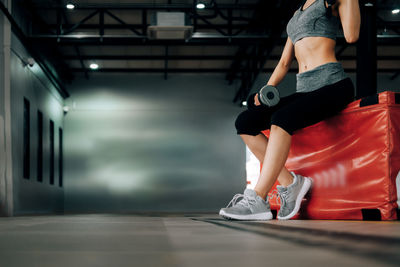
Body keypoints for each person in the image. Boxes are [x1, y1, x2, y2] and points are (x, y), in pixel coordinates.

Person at [220, 0, 361, 220]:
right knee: (245, 122)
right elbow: (285, 62)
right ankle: (291, 183)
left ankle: (258, 198)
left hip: (333, 85)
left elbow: (352, 36)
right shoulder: (297, 15)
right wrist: (266, 91)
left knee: (281, 118)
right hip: (305, 89)